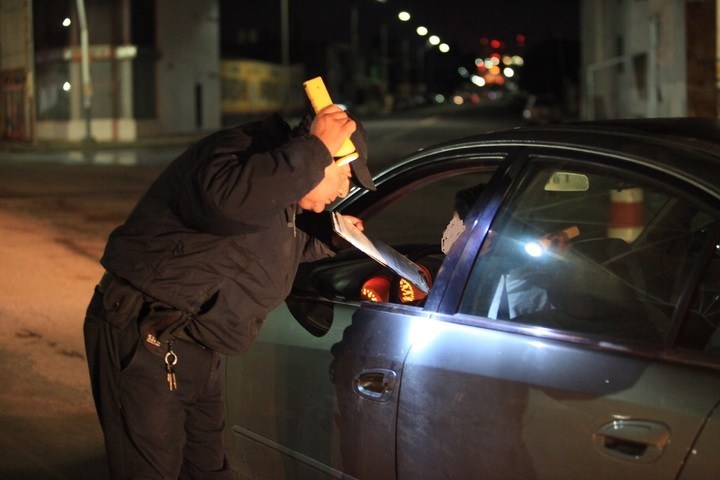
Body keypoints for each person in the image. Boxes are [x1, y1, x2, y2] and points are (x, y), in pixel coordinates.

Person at [83, 104, 376, 479]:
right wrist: (315, 149)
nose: (343, 190)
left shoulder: (277, 186)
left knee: (207, 469)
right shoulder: (239, 152)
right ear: (318, 153)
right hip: (147, 339)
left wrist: (326, 239)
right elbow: (229, 207)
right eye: (345, 175)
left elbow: (256, 246)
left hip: (194, 349)